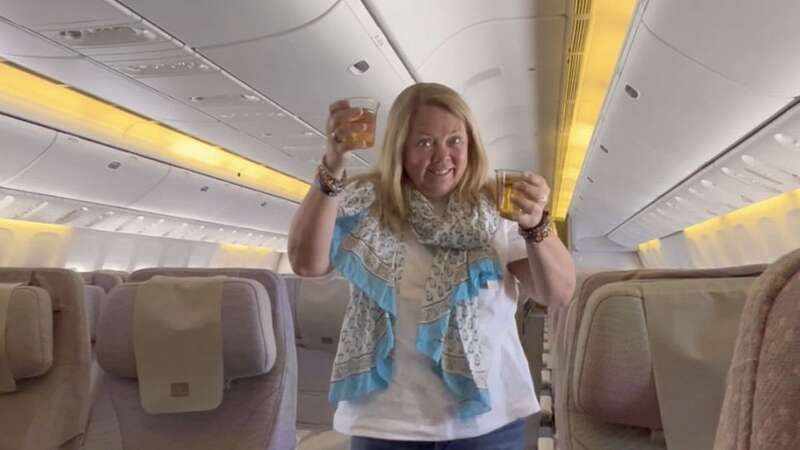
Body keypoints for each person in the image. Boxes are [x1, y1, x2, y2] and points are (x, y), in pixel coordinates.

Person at [288, 82, 575, 450]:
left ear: (470, 143)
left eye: (454, 140)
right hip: (386, 425)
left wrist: (536, 223)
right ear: (400, 148)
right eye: (424, 142)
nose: (442, 157)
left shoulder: (497, 208)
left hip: (488, 425)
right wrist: (333, 163)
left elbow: (558, 292)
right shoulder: (364, 204)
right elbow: (307, 263)